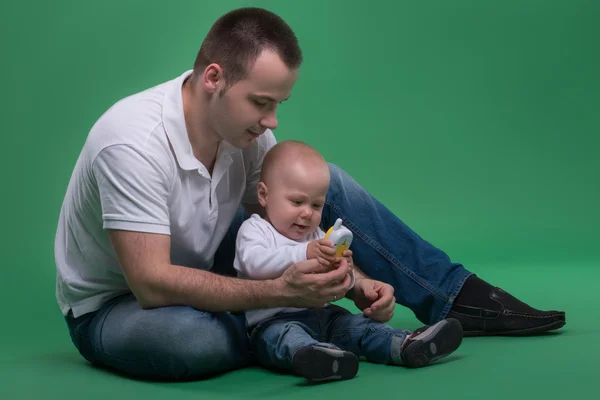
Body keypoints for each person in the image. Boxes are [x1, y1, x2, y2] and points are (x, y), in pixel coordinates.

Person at [55, 7, 566, 382]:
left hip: (212, 261)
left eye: (279, 103)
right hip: (119, 305)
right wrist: (281, 292)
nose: (272, 120)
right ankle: (298, 329)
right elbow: (151, 283)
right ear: (213, 78)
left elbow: (296, 223)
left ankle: (456, 298)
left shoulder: (246, 133)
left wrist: (356, 278)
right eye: (261, 102)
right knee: (190, 342)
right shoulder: (131, 142)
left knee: (314, 184)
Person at [234, 140, 465, 382]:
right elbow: (254, 263)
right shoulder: (255, 230)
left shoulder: (316, 235)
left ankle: (405, 345)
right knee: (283, 339)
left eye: (316, 205)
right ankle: (318, 358)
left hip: (324, 316)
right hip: (274, 320)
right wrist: (304, 254)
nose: (307, 213)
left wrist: (350, 276)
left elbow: (335, 277)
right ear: (263, 195)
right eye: (296, 202)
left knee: (359, 326)